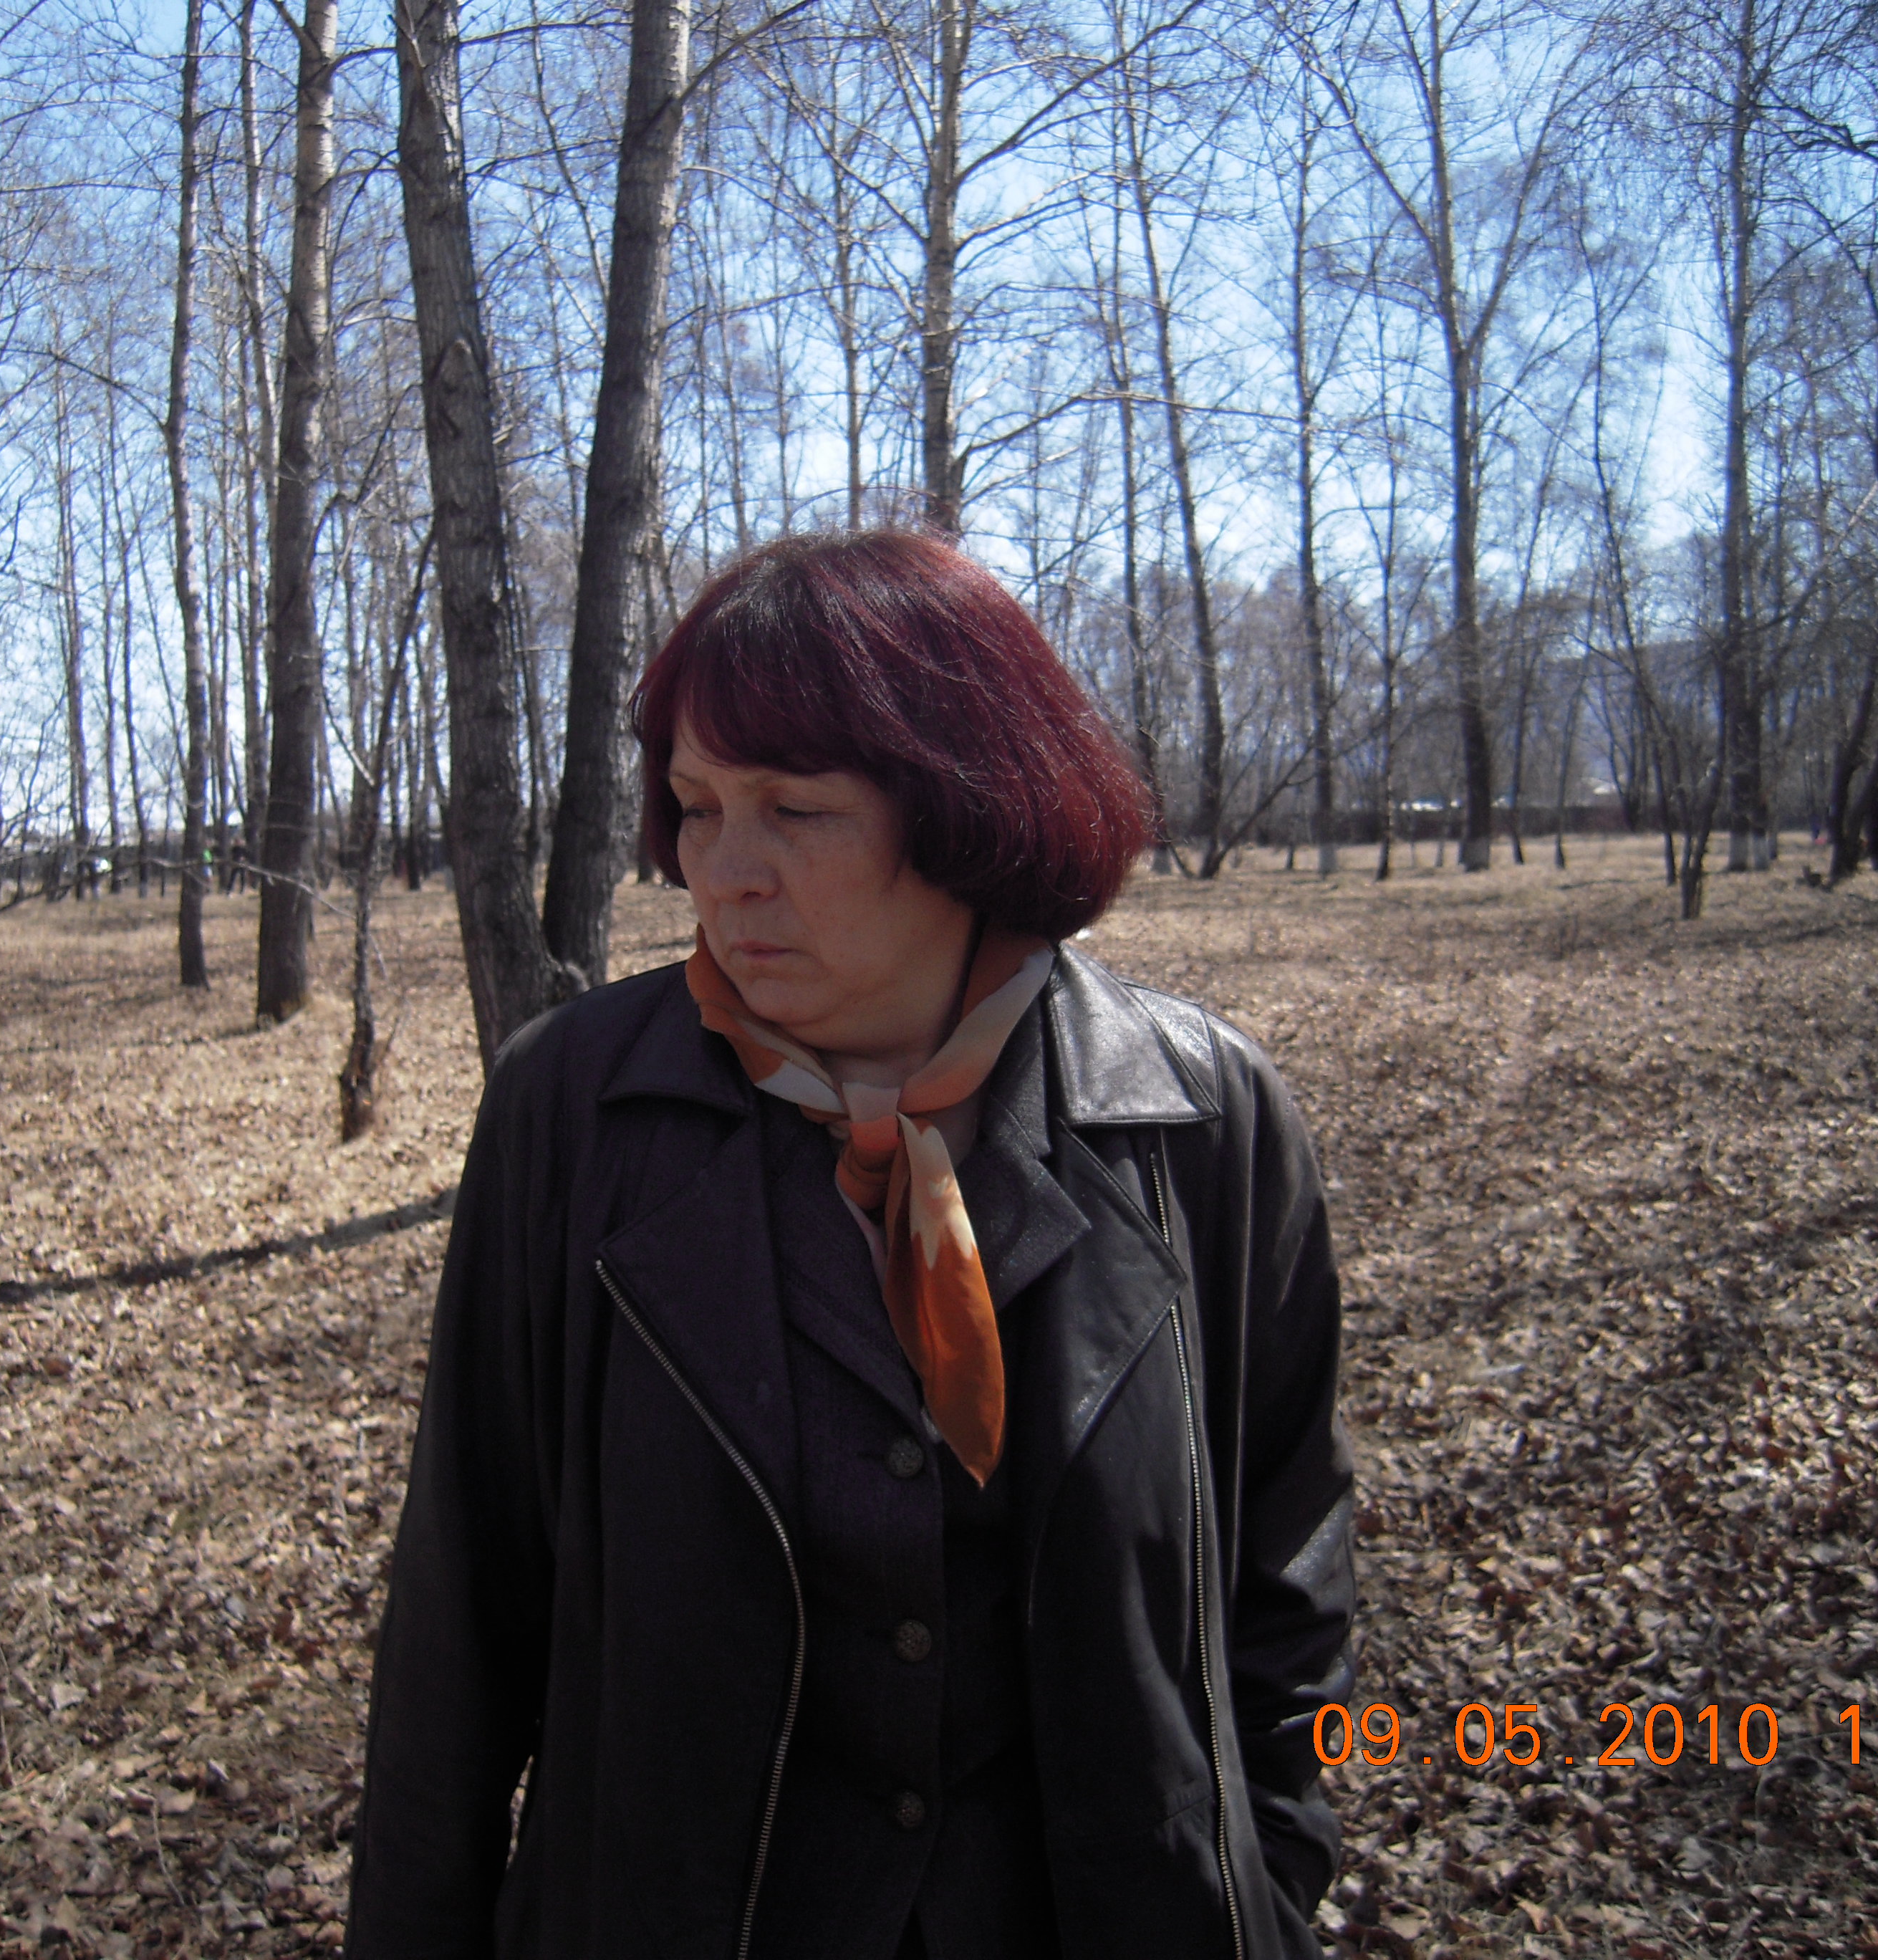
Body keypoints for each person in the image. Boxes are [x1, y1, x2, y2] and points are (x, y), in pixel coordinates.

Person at [345, 531, 1357, 1960]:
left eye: (795, 810)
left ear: (969, 806)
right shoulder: (572, 1112)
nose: (724, 873)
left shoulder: (1200, 1117)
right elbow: (462, 1623)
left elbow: (1287, 1574)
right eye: (696, 807)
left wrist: (1263, 1880)